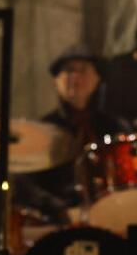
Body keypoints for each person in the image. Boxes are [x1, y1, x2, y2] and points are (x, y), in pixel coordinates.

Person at [14, 45, 128, 222]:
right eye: (68, 71)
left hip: (111, 216)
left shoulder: (115, 127)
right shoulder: (41, 130)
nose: (75, 77)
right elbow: (24, 183)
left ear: (97, 78)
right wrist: (58, 208)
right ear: (56, 80)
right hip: (56, 220)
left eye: (82, 70)